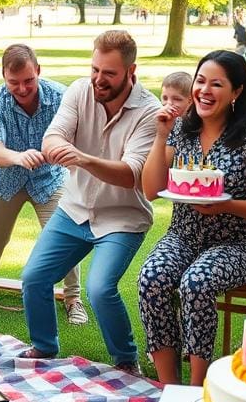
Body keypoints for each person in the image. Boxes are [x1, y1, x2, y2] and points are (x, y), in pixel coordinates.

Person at [19, 31, 159, 375]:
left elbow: (132, 174)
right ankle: (45, 346)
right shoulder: (80, 90)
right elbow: (52, 135)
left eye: (109, 73)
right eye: (95, 69)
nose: (98, 79)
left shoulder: (150, 112)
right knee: (34, 278)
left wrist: (81, 158)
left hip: (122, 218)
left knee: (99, 288)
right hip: (75, 208)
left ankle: (126, 359)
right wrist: (55, 146)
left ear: (131, 71)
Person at [138, 51, 246, 385]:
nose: (204, 90)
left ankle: (196, 388)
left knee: (196, 283)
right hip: (184, 236)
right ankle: (168, 385)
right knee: (152, 277)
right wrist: (161, 134)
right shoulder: (183, 131)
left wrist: (226, 206)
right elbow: (151, 189)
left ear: (236, 92)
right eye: (200, 81)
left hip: (240, 244)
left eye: (216, 84)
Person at [0, 44, 86, 325]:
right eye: (13, 82)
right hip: (7, 181)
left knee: (66, 236)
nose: (22, 88)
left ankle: (73, 297)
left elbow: (79, 137)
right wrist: (18, 157)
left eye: (28, 80)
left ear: (38, 71)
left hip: (49, 179)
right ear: (3, 76)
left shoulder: (61, 96)